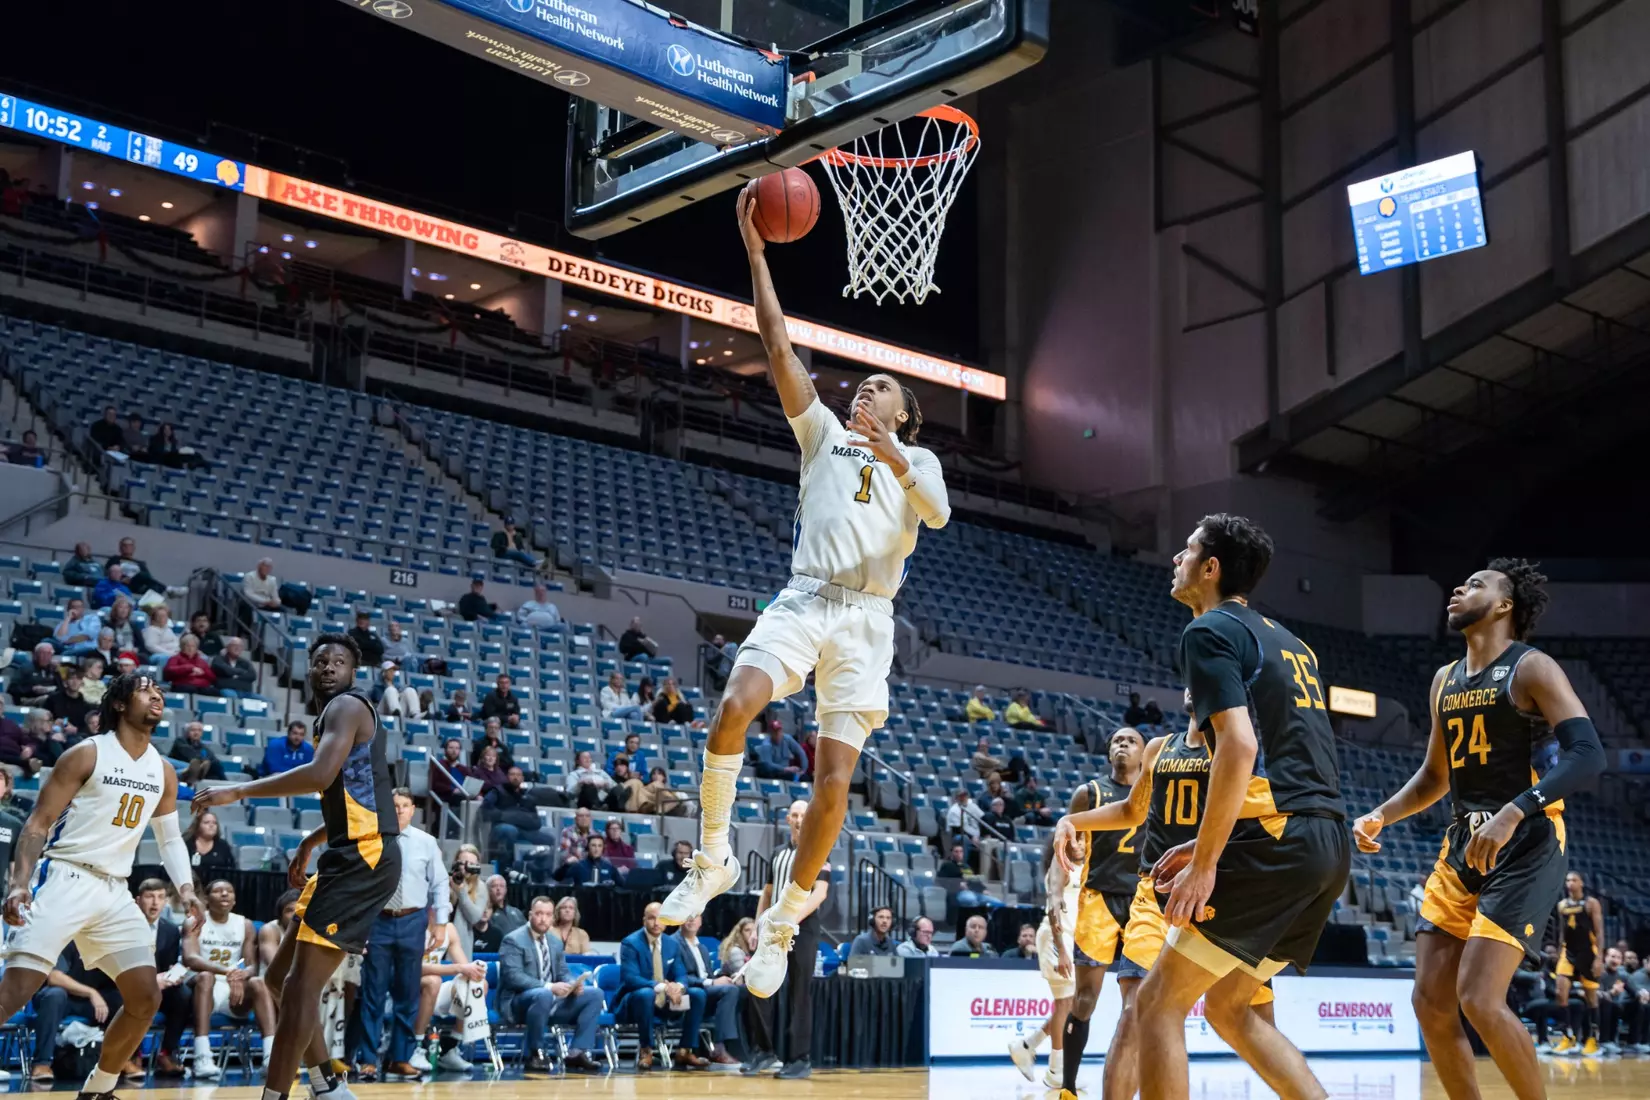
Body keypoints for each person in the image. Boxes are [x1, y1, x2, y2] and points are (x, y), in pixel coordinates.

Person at [1354, 558, 1601, 1098]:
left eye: (1477, 584)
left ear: (1505, 605)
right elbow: (1435, 777)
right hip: (1463, 846)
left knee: (1480, 998)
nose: (1459, 588)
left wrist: (1516, 810)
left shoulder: (1531, 667)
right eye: (1460, 582)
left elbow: (1588, 754)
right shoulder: (1444, 679)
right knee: (1429, 1002)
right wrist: (1380, 815)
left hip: (1528, 843)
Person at [1126, 515, 1354, 1100]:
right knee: (1230, 1008)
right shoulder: (1290, 641)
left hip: (1280, 835)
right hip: (1326, 839)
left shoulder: (1207, 631)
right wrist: (1212, 843)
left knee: (1156, 1005)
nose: (1175, 557)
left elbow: (1242, 746)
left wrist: (1205, 864)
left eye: (1187, 549)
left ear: (1211, 568)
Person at [191, 632, 403, 1100]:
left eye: (339, 661)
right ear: (309, 670)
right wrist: (311, 840)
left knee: (301, 987)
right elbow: (359, 798)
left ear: (353, 671)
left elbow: (321, 776)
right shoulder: (337, 715)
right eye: (320, 660)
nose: (328, 666)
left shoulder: (348, 706)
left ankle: (276, 1095)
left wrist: (239, 791)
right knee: (276, 979)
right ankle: (328, 1086)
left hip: (364, 858)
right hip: (346, 852)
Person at [1054, 693, 1274, 1100]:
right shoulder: (1158, 748)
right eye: (1189, 676)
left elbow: (1260, 821)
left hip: (1222, 895)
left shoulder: (1239, 745)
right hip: (1155, 897)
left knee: (1253, 1018)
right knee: (1134, 1012)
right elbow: (1130, 812)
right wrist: (1072, 819)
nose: (1194, 683)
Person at [0, 672, 203, 1100]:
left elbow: (169, 839)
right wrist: (19, 884)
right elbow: (36, 826)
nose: (157, 696)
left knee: (145, 997)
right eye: (146, 690)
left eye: (160, 692)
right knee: (15, 992)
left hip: (114, 889)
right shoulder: (85, 754)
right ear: (119, 703)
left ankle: (99, 1089)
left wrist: (185, 890)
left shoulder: (163, 770)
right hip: (67, 876)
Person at [348, 788, 449, 1080]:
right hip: (377, 920)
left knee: (407, 993)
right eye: (395, 805)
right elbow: (358, 886)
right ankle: (367, 1059)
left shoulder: (427, 842)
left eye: (405, 805)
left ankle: (400, 1058)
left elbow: (440, 884)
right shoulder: (370, 840)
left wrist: (440, 923)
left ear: (413, 809)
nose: (400, 810)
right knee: (373, 993)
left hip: (413, 919)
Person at [737, 799, 829, 1078]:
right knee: (758, 986)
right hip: (774, 928)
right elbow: (766, 894)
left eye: (804, 815)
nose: (800, 819)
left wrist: (792, 919)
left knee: (798, 994)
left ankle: (799, 1059)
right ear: (788, 819)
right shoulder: (777, 853)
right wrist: (756, 927)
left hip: (802, 929)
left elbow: (820, 893)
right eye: (795, 815)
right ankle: (763, 1051)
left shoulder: (817, 849)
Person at [496, 896, 604, 1073]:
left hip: (551, 1001)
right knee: (543, 994)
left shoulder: (554, 942)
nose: (543, 918)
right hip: (520, 1003)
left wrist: (572, 984)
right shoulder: (513, 940)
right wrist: (548, 986)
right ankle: (535, 1053)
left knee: (595, 994)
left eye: (547, 914)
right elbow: (512, 977)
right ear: (530, 915)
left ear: (552, 918)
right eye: (538, 914)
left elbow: (562, 972)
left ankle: (577, 1052)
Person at [184, 879, 277, 1079]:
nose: (225, 894)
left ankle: (271, 1057)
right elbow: (190, 958)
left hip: (231, 987)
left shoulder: (245, 924)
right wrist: (227, 971)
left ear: (234, 900)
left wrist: (242, 975)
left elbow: (252, 965)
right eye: (218, 891)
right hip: (201, 986)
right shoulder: (195, 921)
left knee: (258, 982)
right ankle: (202, 1056)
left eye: (229, 891)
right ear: (207, 900)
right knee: (206, 977)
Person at [1010, 836, 1079, 1089]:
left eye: (1083, 840)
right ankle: (1055, 1069)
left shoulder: (1081, 866)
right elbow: (1053, 909)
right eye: (1075, 840)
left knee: (1069, 1004)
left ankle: (1026, 1046)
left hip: (1070, 938)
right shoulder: (1058, 866)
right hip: (1055, 937)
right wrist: (1061, 949)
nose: (1080, 844)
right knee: (1065, 1004)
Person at [617, 902, 709, 1070]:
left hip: (667, 1002)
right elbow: (630, 979)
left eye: (660, 919)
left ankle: (685, 1050)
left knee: (697, 994)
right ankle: (646, 1050)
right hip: (635, 1003)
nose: (656, 923)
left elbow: (681, 974)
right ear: (644, 920)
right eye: (651, 918)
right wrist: (661, 986)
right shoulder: (630, 943)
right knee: (645, 994)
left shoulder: (671, 944)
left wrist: (678, 987)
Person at [134, 879, 194, 1078]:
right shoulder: (125, 927)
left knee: (183, 994)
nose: (155, 903)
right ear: (137, 900)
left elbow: (169, 963)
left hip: (159, 988)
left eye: (160, 897)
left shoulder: (169, 930)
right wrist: (152, 980)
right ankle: (133, 1054)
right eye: (150, 897)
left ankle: (167, 1053)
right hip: (129, 985)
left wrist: (173, 975)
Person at [409, 920, 483, 1073]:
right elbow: (413, 967)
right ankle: (417, 1048)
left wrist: (474, 972)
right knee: (433, 981)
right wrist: (457, 968)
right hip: (406, 986)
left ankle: (450, 1047)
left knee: (475, 984)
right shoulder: (412, 923)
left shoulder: (449, 928)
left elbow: (464, 967)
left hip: (433, 990)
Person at [673, 912, 744, 1066]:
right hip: (687, 992)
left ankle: (748, 1047)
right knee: (729, 991)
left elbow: (710, 976)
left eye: (695, 916)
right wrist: (712, 983)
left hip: (705, 993)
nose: (691, 920)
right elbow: (680, 977)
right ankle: (719, 1046)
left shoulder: (702, 947)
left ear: (700, 922)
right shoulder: (673, 943)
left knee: (741, 990)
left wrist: (722, 979)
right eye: (688, 916)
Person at [1553, 870, 1605, 1054]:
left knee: (1591, 998)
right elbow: (1561, 931)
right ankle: (1568, 1037)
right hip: (1568, 952)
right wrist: (1559, 951)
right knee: (1560, 993)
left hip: (1588, 953)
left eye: (1574, 879)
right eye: (1567, 880)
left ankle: (1593, 1039)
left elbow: (1599, 932)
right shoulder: (1561, 905)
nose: (1570, 883)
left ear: (1581, 883)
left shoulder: (1591, 904)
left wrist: (1600, 958)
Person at [448, 845, 489, 957]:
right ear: (456, 863)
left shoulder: (480, 887)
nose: (466, 867)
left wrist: (461, 891)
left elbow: (475, 918)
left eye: (471, 864)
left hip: (461, 946)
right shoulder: (444, 880)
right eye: (463, 863)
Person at [182, 809, 238, 880]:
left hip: (216, 885)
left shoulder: (223, 845)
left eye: (214, 823)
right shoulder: (187, 843)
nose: (211, 825)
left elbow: (232, 870)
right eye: (206, 822)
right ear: (198, 825)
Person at [46, 667, 95, 733]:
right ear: (65, 683)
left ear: (82, 683)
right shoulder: (53, 700)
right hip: (56, 734)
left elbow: (89, 727)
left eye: (78, 679)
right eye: (71, 678)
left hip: (78, 736)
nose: (75, 682)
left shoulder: (85, 705)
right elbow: (43, 721)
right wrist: (54, 723)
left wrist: (76, 730)